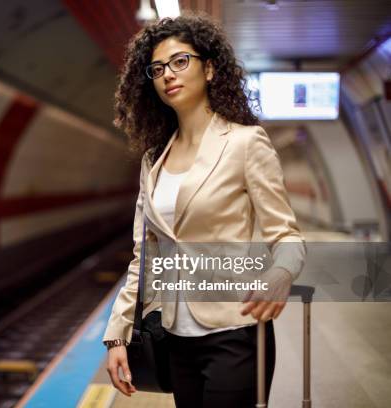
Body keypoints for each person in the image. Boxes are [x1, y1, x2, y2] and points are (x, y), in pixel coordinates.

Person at [102, 13, 306, 408]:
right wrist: (117, 336)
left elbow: (287, 237)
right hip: (175, 336)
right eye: (158, 68)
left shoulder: (246, 144)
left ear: (210, 69)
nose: (168, 75)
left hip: (236, 329)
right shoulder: (153, 159)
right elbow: (143, 257)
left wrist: (281, 274)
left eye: (181, 61)